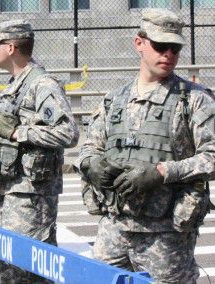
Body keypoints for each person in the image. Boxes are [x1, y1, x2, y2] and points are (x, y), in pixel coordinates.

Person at [75, 8, 215, 283]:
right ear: (139, 43)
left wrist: (162, 172)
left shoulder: (194, 100)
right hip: (114, 227)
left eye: (175, 48)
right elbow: (89, 147)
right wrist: (92, 164)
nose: (169, 55)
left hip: (166, 235)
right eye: (161, 46)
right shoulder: (114, 99)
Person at [0, 19, 79, 282]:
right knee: (14, 268)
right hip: (15, 188)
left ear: (10, 47)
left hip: (33, 194)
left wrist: (20, 132)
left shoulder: (42, 84)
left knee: (29, 270)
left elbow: (68, 133)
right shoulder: (17, 83)